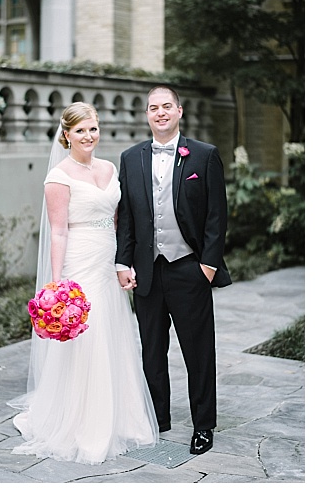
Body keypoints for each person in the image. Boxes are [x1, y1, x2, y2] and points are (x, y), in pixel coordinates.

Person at [7, 102, 158, 464]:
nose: (89, 136)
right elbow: (58, 232)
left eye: (93, 128)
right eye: (81, 131)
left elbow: (121, 221)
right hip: (79, 262)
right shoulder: (58, 176)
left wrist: (125, 262)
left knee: (114, 332)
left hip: (109, 260)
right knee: (89, 337)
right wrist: (57, 284)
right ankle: (83, 421)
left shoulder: (109, 168)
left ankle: (121, 416)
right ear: (67, 135)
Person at [115, 85, 231, 455]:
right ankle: (158, 418)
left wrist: (208, 267)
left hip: (189, 270)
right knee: (152, 351)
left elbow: (217, 216)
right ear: (146, 114)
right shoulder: (131, 158)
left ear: (179, 111)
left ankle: (203, 425)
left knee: (198, 351)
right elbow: (128, 219)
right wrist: (123, 261)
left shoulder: (204, 155)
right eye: (153, 108)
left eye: (167, 106)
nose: (160, 112)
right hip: (147, 272)